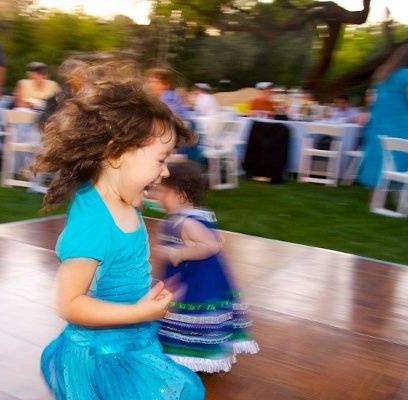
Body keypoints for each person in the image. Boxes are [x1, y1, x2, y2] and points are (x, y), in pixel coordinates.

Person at [35, 60, 204, 400]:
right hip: (102, 357)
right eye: (160, 159)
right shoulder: (93, 224)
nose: (167, 172)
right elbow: (70, 304)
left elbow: (118, 270)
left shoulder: (124, 200)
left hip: (131, 341)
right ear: (116, 154)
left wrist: (140, 298)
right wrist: (138, 311)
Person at [152, 161, 259, 373]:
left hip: (196, 281)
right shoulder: (184, 218)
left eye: (163, 191)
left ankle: (190, 354)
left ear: (181, 194)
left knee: (192, 316)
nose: (157, 196)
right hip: (190, 277)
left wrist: (178, 253)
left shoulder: (186, 222)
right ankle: (189, 353)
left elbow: (212, 244)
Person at [358, 43, 408, 187]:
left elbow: (372, 98)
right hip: (400, 124)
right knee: (398, 157)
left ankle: (376, 195)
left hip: (378, 123)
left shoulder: (384, 74)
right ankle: (395, 195)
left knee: (380, 157)